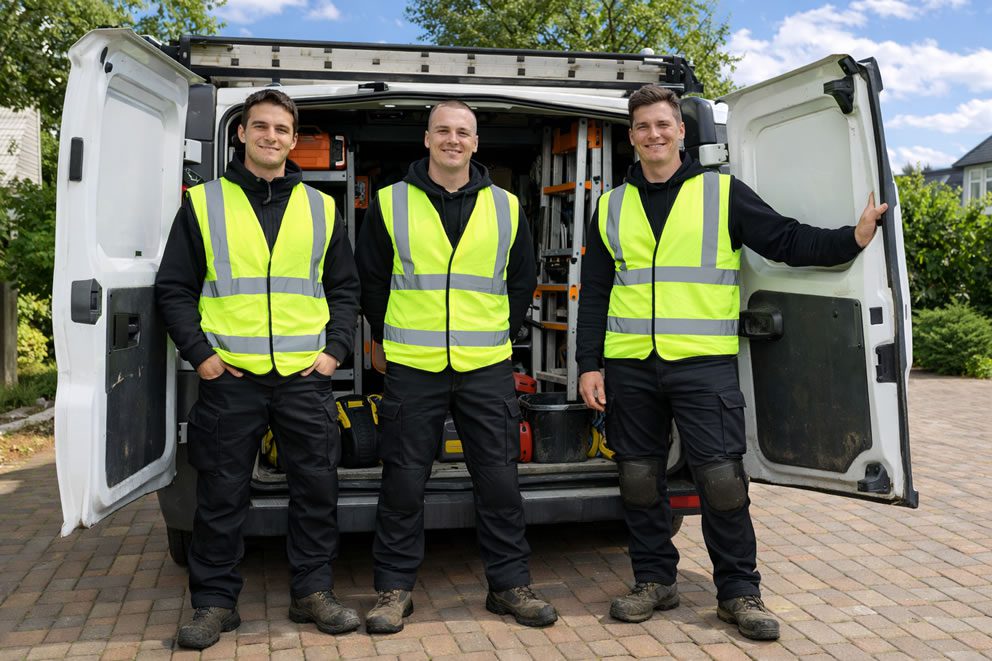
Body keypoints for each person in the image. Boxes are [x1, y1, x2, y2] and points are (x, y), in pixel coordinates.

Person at [576, 84, 887, 641]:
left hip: (702, 364)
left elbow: (784, 239)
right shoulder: (610, 206)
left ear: (681, 131)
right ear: (632, 136)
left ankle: (739, 592)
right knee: (639, 478)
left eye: (663, 124)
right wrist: (588, 364)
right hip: (629, 366)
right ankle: (654, 581)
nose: (654, 134)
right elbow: (595, 291)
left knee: (722, 481)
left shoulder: (722, 194)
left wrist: (851, 239)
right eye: (643, 126)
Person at [156, 89, 362, 650]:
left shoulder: (322, 208)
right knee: (221, 496)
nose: (271, 136)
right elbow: (173, 288)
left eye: (282, 129)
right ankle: (214, 604)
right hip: (232, 380)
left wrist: (334, 353)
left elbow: (345, 289)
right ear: (242, 133)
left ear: (295, 140)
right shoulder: (204, 203)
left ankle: (312, 593)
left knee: (317, 490)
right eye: (260, 126)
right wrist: (203, 357)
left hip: (304, 377)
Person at [355, 100, 556, 634]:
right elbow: (371, 281)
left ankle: (510, 585)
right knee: (402, 481)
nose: (452, 140)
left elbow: (520, 282)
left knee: (499, 480)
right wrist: (388, 335)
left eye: (462, 132)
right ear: (425, 139)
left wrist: (501, 333)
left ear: (475, 143)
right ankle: (393, 590)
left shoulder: (508, 207)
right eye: (442, 131)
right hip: (413, 366)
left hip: (486, 364)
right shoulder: (390, 203)